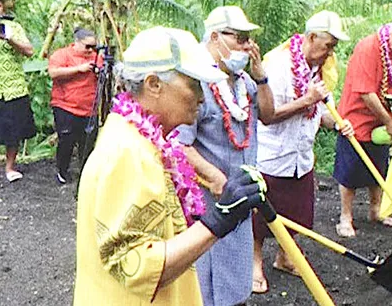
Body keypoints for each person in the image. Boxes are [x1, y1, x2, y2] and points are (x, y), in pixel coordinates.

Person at [73, 26, 267, 306]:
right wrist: (219, 220)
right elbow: (135, 265)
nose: (202, 97)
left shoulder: (141, 139)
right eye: (193, 84)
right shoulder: (128, 153)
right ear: (154, 84)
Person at [175, 6, 274, 306]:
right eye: (241, 39)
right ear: (215, 37)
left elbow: (268, 116)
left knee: (236, 271)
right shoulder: (198, 84)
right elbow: (181, 145)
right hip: (207, 200)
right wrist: (216, 179)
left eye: (249, 40)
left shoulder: (243, 82)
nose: (248, 47)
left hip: (240, 196)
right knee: (205, 272)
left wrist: (262, 78)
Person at [252, 10, 354, 294]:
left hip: (301, 157)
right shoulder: (278, 65)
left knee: (298, 213)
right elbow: (267, 115)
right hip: (273, 155)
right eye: (328, 45)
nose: (331, 52)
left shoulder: (320, 69)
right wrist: (306, 100)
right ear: (310, 38)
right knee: (260, 216)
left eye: (334, 46)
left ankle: (285, 257)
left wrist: (338, 124)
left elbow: (322, 111)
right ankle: (255, 262)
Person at [333, 18, 392, 238]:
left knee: (379, 165)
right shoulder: (368, 47)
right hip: (356, 117)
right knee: (350, 169)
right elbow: (366, 93)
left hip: (381, 121)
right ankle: (346, 217)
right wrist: (389, 122)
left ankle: (376, 210)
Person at [0, 0, 35, 191]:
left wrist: (8, 38)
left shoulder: (13, 27)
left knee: (14, 131)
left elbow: (29, 51)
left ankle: (10, 168)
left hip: (14, 87)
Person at [48, 28, 102, 184]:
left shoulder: (96, 57)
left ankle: (85, 174)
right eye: (88, 46)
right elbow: (53, 73)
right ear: (77, 42)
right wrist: (78, 69)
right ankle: (62, 171)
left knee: (87, 143)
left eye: (94, 47)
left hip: (89, 107)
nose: (91, 50)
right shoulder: (62, 54)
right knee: (66, 140)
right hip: (65, 105)